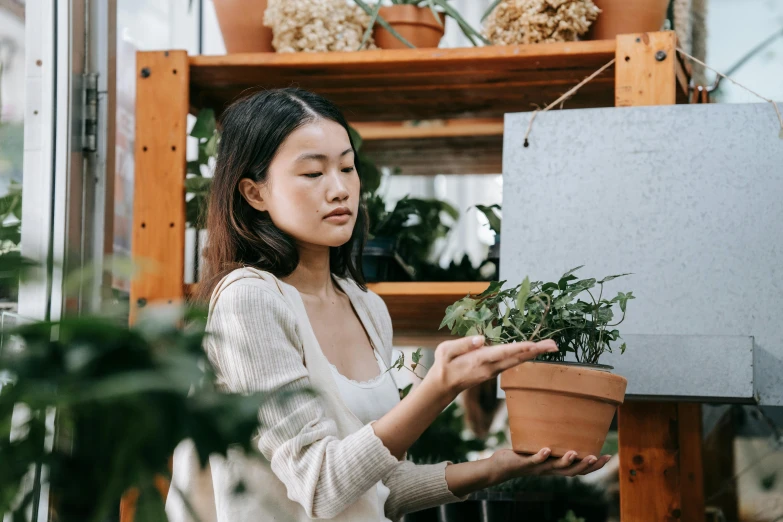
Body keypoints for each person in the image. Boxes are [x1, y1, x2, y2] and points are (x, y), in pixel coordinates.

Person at [166, 88, 610, 522]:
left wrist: (497, 466)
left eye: (347, 167)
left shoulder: (366, 307)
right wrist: (439, 388)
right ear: (254, 193)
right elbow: (322, 487)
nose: (340, 189)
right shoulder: (248, 300)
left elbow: (378, 490)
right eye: (313, 173)